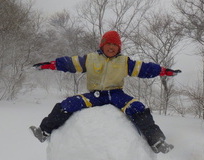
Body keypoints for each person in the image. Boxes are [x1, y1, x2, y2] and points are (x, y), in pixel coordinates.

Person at [30, 30, 181, 153]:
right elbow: (69, 63)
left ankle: (156, 141)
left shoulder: (124, 62)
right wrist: (49, 65)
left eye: (115, 45)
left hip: (117, 94)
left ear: (119, 48)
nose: (111, 47)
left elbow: (145, 68)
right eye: (108, 43)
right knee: (66, 105)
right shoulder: (90, 59)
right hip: (95, 95)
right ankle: (44, 131)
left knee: (138, 108)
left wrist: (164, 71)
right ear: (102, 45)